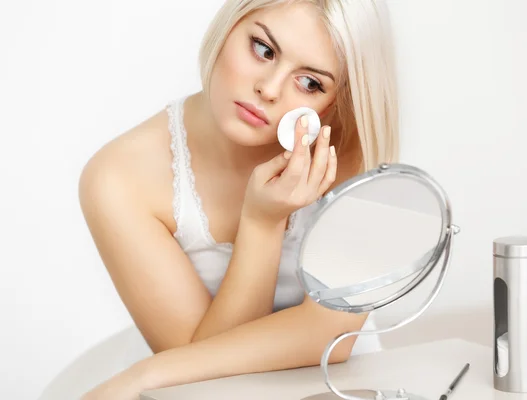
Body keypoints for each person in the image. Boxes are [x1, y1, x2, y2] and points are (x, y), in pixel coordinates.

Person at [78, 0, 399, 398]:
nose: (269, 88)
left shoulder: (353, 152)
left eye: (310, 83)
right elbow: (207, 383)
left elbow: (331, 335)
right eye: (263, 50)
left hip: (344, 386)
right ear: (230, 25)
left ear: (333, 103)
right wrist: (262, 223)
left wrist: (143, 375)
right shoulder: (118, 176)